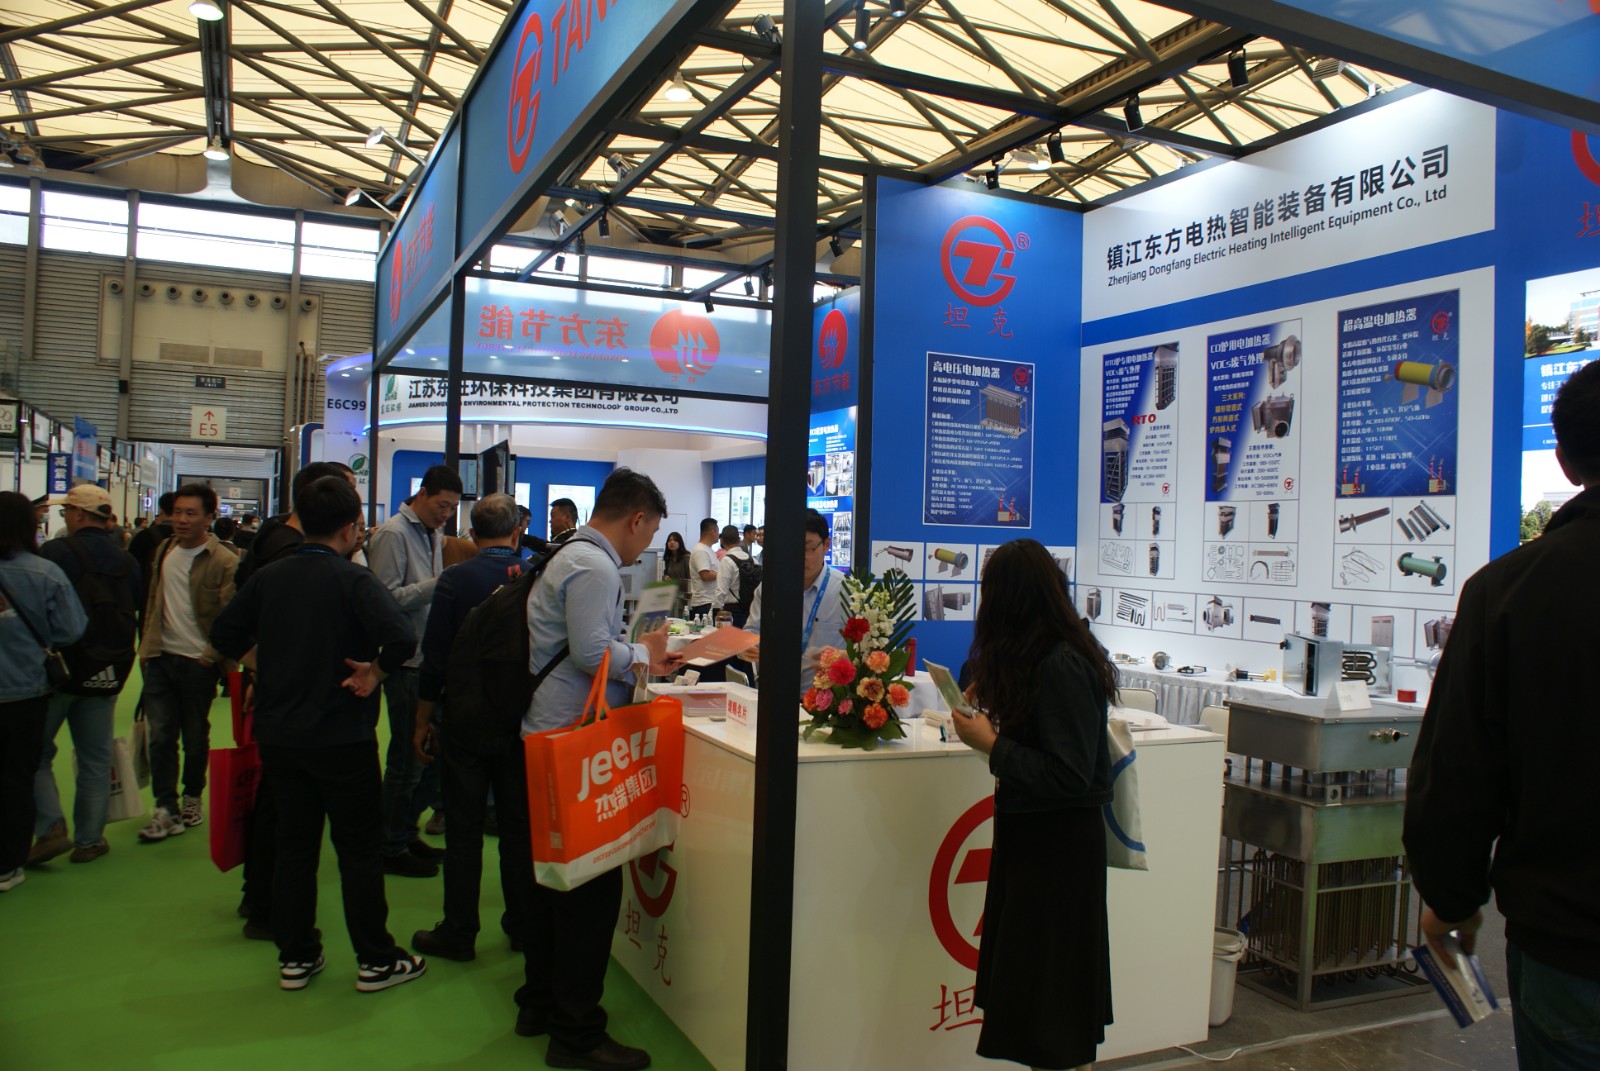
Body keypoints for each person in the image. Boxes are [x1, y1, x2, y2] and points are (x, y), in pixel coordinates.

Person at [1404, 359, 1600, 1069]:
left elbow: (1458, 771)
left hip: (1571, 945)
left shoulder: (1510, 593)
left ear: (1566, 461)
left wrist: (1452, 899)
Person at [209, 475, 425, 993]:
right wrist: (375, 672)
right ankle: (376, 959)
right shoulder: (354, 581)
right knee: (358, 851)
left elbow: (223, 633)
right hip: (343, 735)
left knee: (294, 846)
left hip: (281, 736)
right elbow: (401, 637)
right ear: (352, 528)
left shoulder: (269, 577)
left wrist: (260, 663)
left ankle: (296, 955)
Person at [520, 467, 680, 1070]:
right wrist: (646, 654)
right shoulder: (596, 565)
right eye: (651, 531)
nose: (647, 544)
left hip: (550, 734)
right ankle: (576, 1033)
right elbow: (591, 652)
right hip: (574, 740)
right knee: (588, 894)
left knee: (553, 886)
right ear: (636, 519)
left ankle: (539, 1004)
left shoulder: (569, 554)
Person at [950, 538, 1115, 1071]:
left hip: (1058, 854)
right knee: (1035, 997)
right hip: (1034, 845)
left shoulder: (1063, 663)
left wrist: (992, 745)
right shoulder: (1040, 656)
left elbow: (1068, 774)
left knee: (1053, 1004)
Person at [409, 493, 530, 962]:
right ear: (517, 531)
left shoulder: (455, 580)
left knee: (463, 829)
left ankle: (459, 932)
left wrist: (423, 718)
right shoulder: (535, 577)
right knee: (518, 829)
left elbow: (435, 656)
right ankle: (521, 926)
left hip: (464, 718)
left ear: (472, 534)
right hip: (520, 718)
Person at [29, 484, 142, 866]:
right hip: (108, 668)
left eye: (66, 512)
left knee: (35, 752)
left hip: (59, 668)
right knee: (95, 757)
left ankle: (51, 827)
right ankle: (90, 840)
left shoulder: (56, 552)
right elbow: (137, 603)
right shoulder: (127, 560)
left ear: (78, 514)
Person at [366, 464, 461, 878]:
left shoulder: (431, 532)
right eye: (442, 505)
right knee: (407, 761)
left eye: (452, 508)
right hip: (405, 662)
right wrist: (439, 584)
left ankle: (404, 833)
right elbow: (383, 600)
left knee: (429, 758)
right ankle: (388, 845)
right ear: (422, 494)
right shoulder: (392, 534)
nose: (446, 514)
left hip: (428, 657)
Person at [137, 483, 238, 842]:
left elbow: (229, 617)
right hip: (160, 658)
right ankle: (165, 808)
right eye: (177, 512)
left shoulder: (224, 561)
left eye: (190, 513)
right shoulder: (164, 550)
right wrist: (146, 648)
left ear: (209, 518)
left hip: (198, 664)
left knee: (194, 736)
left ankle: (192, 795)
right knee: (160, 736)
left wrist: (209, 658)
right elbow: (154, 600)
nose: (181, 519)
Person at [0, 492, 88, 893]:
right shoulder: (46, 573)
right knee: (18, 777)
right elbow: (71, 628)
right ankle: (9, 864)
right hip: (27, 692)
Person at [744, 510, 848, 696]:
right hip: (775, 696)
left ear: (826, 545)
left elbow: (868, 651)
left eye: (807, 549)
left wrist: (845, 657)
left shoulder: (847, 591)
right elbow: (752, 632)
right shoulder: (770, 588)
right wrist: (746, 646)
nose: (798, 556)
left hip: (827, 701)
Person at [127, 491, 176, 579]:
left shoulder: (143, 536)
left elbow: (131, 565)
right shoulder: (187, 537)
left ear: (161, 510)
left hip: (147, 584)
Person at [686, 517, 719, 619]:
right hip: (704, 603)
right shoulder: (701, 550)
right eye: (718, 531)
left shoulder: (708, 550)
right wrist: (723, 574)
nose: (718, 535)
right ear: (712, 531)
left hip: (709, 601)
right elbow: (705, 575)